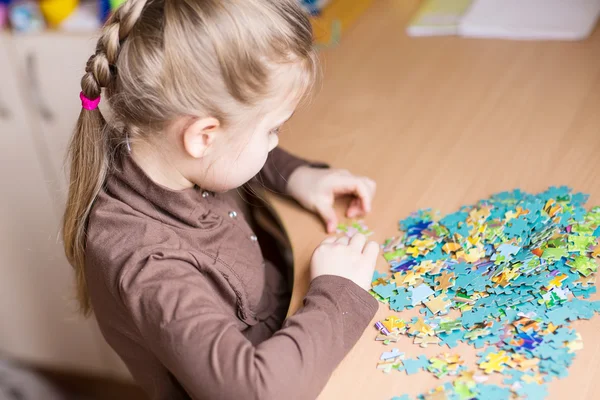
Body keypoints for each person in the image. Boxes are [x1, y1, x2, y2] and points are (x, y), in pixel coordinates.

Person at [62, 0, 380, 399]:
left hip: (283, 319)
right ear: (202, 136)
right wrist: (338, 292)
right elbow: (257, 392)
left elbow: (230, 152)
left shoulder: (159, 149)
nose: (275, 142)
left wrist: (298, 175)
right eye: (272, 130)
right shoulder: (150, 268)